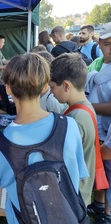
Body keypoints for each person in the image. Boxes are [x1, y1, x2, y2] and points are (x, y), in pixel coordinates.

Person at [0, 53, 89, 224]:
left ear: (8, 88)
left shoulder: (1, 144)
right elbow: (79, 173)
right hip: (68, 215)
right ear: (45, 85)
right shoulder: (69, 125)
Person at [50, 52, 96, 206]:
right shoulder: (85, 107)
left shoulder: (75, 118)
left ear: (66, 86)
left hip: (73, 195)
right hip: (80, 189)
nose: (51, 92)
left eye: (52, 87)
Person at [85, 21, 111, 224]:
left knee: (109, 172)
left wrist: (84, 107)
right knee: (100, 169)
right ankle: (99, 204)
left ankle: (108, 215)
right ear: (100, 43)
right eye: (109, 43)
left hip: (108, 134)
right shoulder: (98, 65)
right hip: (97, 128)